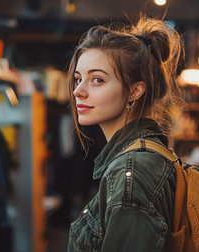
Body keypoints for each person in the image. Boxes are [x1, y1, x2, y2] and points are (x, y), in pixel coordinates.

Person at [67, 16, 184, 251]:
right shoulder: (136, 158)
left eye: (97, 79)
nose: (78, 91)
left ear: (134, 91)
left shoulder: (133, 171)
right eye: (78, 79)